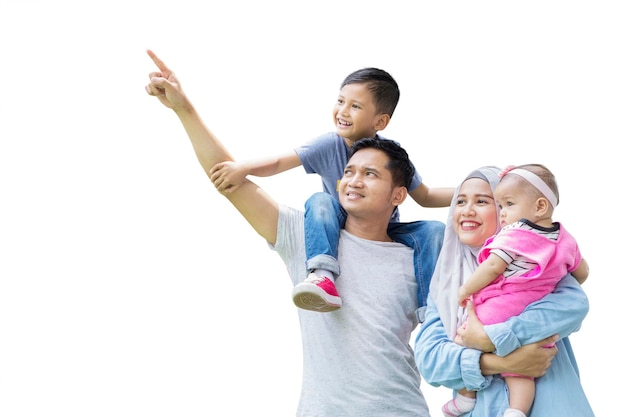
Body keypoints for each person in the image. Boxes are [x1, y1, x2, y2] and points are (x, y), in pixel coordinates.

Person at [145, 49, 431, 416]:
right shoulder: (310, 238)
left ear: (398, 194)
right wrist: (184, 109)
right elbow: (229, 180)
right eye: (350, 171)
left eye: (370, 174)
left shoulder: (419, 253)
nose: (354, 180)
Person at [209, 66, 453, 313]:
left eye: (355, 106)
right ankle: (322, 274)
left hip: (383, 227)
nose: (343, 111)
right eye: (340, 101)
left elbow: (426, 196)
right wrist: (243, 168)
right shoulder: (328, 145)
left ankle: (430, 308)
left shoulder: (389, 155)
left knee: (434, 230)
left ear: (380, 121)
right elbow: (279, 162)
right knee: (320, 201)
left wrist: (476, 191)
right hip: (338, 222)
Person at [414, 166, 594, 417]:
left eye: (482, 201)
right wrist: (502, 362)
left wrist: (493, 337)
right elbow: (431, 361)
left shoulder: (542, 265)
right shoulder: (445, 287)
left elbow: (574, 307)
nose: (467, 210)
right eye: (460, 201)